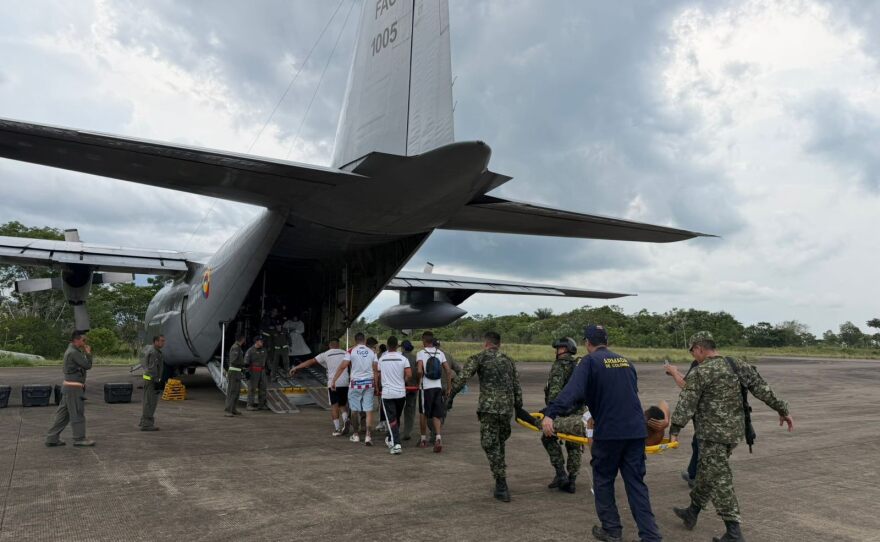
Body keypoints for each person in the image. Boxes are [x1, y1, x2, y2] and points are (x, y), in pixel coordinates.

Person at [669, 332, 794, 542]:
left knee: (720, 480)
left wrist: (674, 430)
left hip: (712, 436)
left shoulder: (702, 371)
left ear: (699, 348)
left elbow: (686, 403)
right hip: (734, 433)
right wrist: (782, 409)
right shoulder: (737, 365)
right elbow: (762, 388)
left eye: (692, 351)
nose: (693, 356)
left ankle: (734, 532)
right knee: (707, 472)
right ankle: (692, 512)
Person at [542, 324, 662, 542]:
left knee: (604, 480)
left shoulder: (589, 361)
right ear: (607, 342)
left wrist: (551, 413)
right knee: (636, 485)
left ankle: (612, 529)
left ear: (587, 343)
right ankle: (651, 536)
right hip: (636, 432)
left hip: (610, 433)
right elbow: (628, 393)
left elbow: (572, 391)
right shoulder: (626, 361)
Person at [446, 331, 522, 503]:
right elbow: (516, 385)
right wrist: (519, 408)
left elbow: (463, 378)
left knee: (489, 444)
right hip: (506, 410)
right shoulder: (508, 360)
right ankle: (500, 478)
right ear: (499, 344)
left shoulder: (479, 358)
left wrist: (450, 396)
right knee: (499, 443)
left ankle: (501, 483)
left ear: (486, 343)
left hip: (489, 409)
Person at [540, 337, 584, 493]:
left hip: (561, 412)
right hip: (578, 412)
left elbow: (555, 392)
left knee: (547, 437)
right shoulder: (579, 365)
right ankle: (572, 481)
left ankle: (561, 474)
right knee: (574, 445)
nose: (556, 351)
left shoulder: (560, 366)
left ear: (564, 349)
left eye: (558, 348)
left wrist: (550, 411)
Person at [45, 331, 96, 447]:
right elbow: (87, 365)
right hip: (74, 389)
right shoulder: (74, 352)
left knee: (63, 415)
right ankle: (79, 439)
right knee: (77, 413)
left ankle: (51, 438)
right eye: (84, 340)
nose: (85, 343)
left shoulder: (72, 351)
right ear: (76, 340)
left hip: (68, 388)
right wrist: (88, 353)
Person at [290, 339, 350, 436]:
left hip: (333, 383)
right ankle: (346, 420)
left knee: (334, 406)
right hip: (345, 382)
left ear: (330, 346)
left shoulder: (325, 354)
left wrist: (297, 367)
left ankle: (337, 429)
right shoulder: (345, 353)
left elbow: (311, 361)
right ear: (338, 345)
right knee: (343, 405)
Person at [332, 333, 378, 446]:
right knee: (368, 410)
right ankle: (368, 436)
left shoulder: (351, 351)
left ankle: (356, 435)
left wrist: (334, 380)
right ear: (365, 340)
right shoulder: (372, 352)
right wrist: (376, 386)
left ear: (355, 340)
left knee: (354, 410)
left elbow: (343, 366)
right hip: (369, 383)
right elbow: (375, 370)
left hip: (356, 384)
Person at [665, 359, 701, 488]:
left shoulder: (699, 363)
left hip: (704, 414)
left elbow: (686, 385)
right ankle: (693, 474)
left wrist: (674, 372)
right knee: (697, 443)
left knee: (700, 443)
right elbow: (689, 381)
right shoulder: (713, 363)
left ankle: (696, 477)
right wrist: (675, 372)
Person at [417, 331, 452, 452]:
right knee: (437, 414)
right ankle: (438, 437)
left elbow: (420, 371)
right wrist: (449, 387)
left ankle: (423, 439)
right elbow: (448, 371)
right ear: (432, 341)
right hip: (437, 387)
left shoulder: (421, 353)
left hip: (425, 387)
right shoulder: (440, 353)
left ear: (423, 340)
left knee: (423, 413)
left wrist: (419, 379)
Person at [377, 336, 411, 455]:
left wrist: (379, 386)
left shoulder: (382, 359)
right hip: (401, 393)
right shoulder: (403, 359)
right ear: (397, 346)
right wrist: (402, 381)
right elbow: (409, 375)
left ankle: (396, 444)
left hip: (387, 393)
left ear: (387, 346)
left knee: (391, 418)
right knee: (396, 417)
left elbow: (379, 375)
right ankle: (391, 438)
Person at [139, 335, 166, 431]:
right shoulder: (154, 352)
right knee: (150, 402)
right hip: (151, 380)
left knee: (148, 401)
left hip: (148, 379)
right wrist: (156, 381)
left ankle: (144, 422)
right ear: (155, 341)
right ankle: (147, 424)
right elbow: (152, 369)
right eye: (161, 341)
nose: (163, 343)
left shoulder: (150, 349)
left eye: (164, 341)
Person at [400, 339, 419, 441]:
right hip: (413, 387)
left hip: (399, 387)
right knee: (410, 410)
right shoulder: (415, 358)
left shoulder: (400, 357)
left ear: (402, 348)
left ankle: (393, 430)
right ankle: (407, 431)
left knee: (396, 410)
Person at [224, 334, 246, 417]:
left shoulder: (238, 347)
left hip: (237, 372)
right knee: (232, 391)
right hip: (234, 372)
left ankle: (233, 409)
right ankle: (228, 410)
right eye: (244, 339)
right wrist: (243, 363)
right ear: (242, 339)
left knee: (236, 392)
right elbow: (233, 360)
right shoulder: (235, 348)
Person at [245, 335, 269, 411]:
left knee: (263, 388)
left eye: (262, 341)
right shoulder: (250, 350)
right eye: (261, 341)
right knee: (252, 389)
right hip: (253, 372)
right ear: (256, 341)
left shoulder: (264, 350)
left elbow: (267, 360)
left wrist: (269, 369)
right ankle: (249, 405)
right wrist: (247, 372)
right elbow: (246, 362)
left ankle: (262, 404)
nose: (262, 342)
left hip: (262, 371)